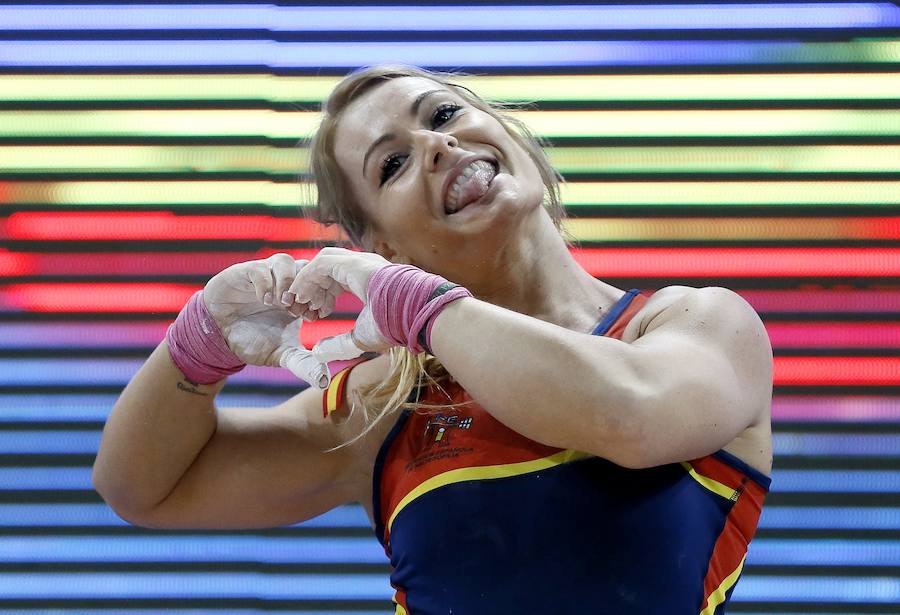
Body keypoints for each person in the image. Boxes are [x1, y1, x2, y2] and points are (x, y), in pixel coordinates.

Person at [93, 65, 773, 614]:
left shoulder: (695, 324)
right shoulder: (387, 404)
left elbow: (631, 415)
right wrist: (198, 344)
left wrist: (422, 305)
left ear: (513, 136)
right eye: (391, 164)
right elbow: (143, 486)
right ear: (381, 245)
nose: (436, 145)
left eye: (443, 115)